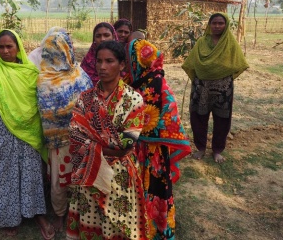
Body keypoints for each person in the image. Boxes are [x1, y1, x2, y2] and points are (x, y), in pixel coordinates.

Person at [67, 40, 147, 240]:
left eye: (109, 61)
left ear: (121, 65)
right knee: (91, 220)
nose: (102, 67)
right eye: (99, 61)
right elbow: (75, 137)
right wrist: (109, 144)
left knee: (117, 224)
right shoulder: (85, 99)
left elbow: (127, 143)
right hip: (90, 174)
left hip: (118, 175)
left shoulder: (133, 99)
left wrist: (92, 144)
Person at [0, 29, 55, 239]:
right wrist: (12, 108)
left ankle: (34, 212)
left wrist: (19, 112)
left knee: (30, 172)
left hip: (28, 131)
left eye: (9, 46)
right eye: (1, 46)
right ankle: (7, 217)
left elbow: (37, 100)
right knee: (4, 174)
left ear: (18, 47)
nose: (5, 51)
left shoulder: (30, 73)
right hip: (1, 132)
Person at [126, 39, 191, 239]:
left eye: (131, 59)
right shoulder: (139, 81)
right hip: (141, 149)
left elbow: (170, 111)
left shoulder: (156, 83)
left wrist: (149, 133)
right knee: (140, 188)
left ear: (138, 61)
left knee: (151, 188)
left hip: (152, 152)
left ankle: (154, 227)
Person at [36, 30, 93, 232]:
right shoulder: (44, 79)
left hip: (82, 140)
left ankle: (78, 213)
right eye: (54, 50)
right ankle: (60, 214)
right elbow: (46, 110)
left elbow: (90, 102)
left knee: (80, 177)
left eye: (62, 49)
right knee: (59, 182)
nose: (59, 54)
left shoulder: (79, 74)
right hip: (58, 142)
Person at [182, 12, 249, 163]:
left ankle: (217, 150)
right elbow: (192, 63)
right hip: (201, 86)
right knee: (198, 117)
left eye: (220, 23)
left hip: (223, 87)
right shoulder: (201, 42)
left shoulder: (230, 43)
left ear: (225, 25)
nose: (217, 26)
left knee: (222, 119)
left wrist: (220, 69)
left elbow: (238, 63)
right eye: (214, 23)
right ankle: (201, 148)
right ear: (209, 25)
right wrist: (206, 70)